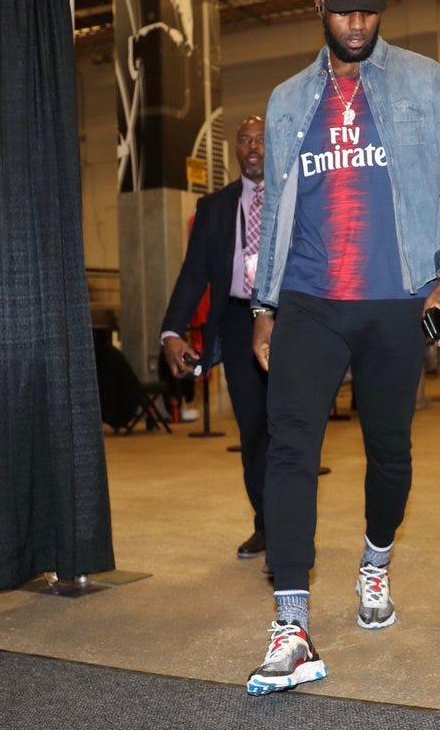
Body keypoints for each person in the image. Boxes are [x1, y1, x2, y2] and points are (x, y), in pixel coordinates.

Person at [244, 0, 440, 695]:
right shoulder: (285, 101)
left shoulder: (422, 80)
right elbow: (276, 209)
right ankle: (291, 622)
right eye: (344, 11)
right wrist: (264, 305)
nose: (357, 24)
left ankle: (374, 562)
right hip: (309, 298)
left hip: (393, 298)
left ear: (380, 8)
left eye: (369, 11)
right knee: (288, 447)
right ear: (321, 8)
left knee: (390, 451)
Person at [159, 116, 272, 561]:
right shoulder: (215, 208)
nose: (252, 147)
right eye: (244, 141)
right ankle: (266, 524)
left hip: (292, 323)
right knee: (254, 428)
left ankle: (291, 527)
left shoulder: (295, 196)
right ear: (236, 151)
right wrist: (172, 329)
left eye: (261, 139)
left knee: (290, 427)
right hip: (241, 325)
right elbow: (195, 274)